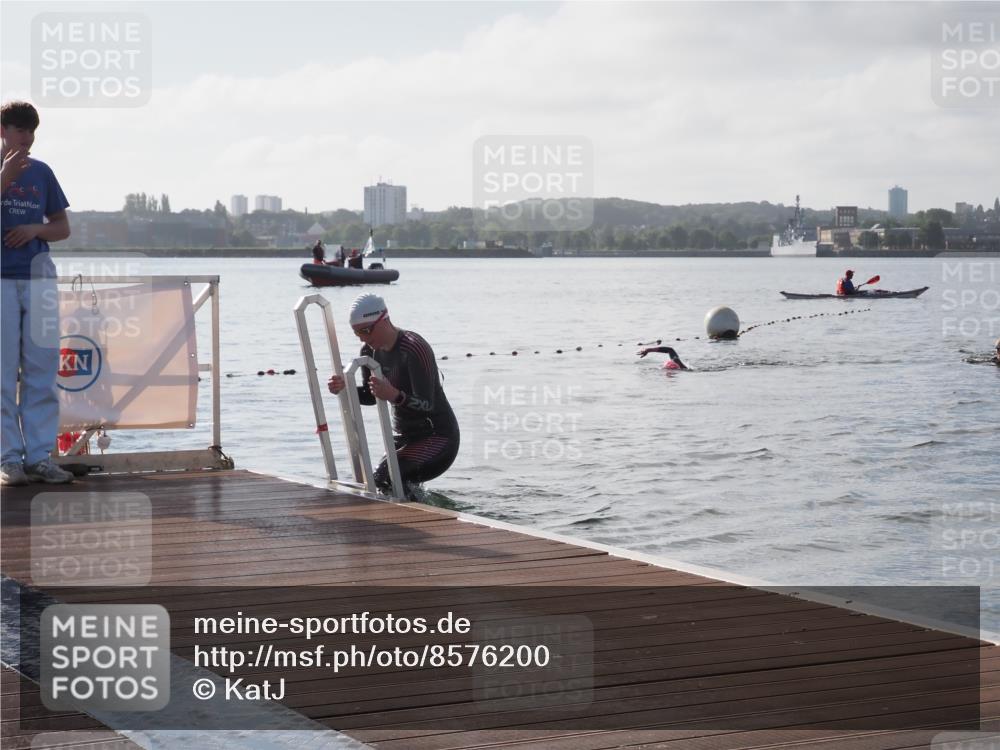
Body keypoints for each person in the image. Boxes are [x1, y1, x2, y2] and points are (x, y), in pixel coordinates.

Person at [1, 101, 74, 485]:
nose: (27, 138)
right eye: (19, 129)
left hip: (39, 278)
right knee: (1, 371)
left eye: (31, 130)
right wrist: (4, 175)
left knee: (42, 370)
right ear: (2, 130)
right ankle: (9, 458)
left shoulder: (42, 172)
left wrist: (34, 230)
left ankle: (40, 456)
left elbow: (62, 227)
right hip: (1, 280)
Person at [327, 294, 459, 499]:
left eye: (366, 330)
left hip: (439, 436)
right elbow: (371, 396)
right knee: (381, 480)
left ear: (384, 320)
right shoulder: (369, 352)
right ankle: (416, 514)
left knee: (389, 477)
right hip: (405, 438)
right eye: (357, 333)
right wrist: (346, 388)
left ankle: (420, 521)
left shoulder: (414, 348)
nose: (363, 338)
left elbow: (427, 404)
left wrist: (394, 395)